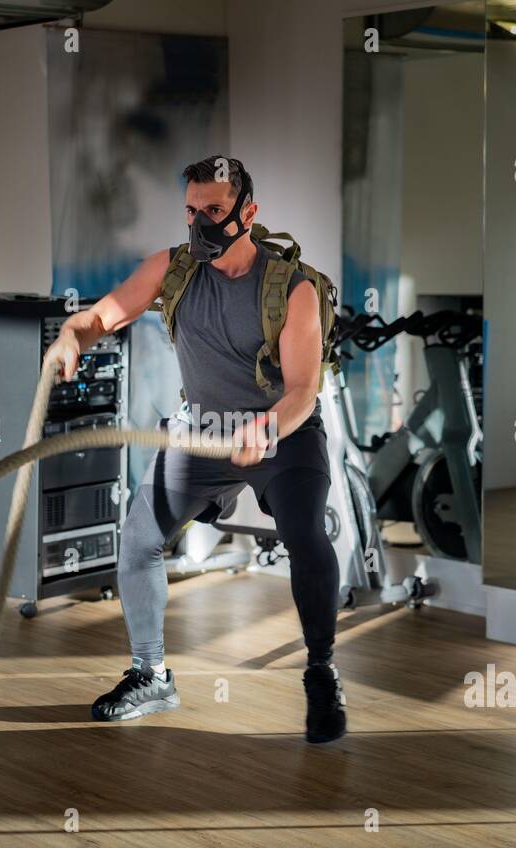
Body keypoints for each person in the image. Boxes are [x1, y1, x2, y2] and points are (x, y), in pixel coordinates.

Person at [43, 156, 346, 743]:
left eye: (213, 211)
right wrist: (69, 336)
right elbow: (101, 316)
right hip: (200, 430)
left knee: (306, 533)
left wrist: (267, 428)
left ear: (247, 213)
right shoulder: (173, 269)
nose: (199, 223)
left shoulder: (293, 288)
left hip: (280, 432)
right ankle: (151, 675)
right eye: (191, 210)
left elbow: (304, 390)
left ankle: (320, 669)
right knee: (139, 537)